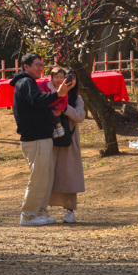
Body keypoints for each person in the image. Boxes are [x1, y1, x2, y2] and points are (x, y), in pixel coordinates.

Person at [11, 53, 74, 227]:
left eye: (42, 65)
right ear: (26, 67)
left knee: (46, 177)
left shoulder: (30, 83)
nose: (41, 68)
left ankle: (39, 211)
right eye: (37, 65)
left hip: (43, 136)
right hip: (34, 137)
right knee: (38, 177)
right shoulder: (25, 83)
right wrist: (59, 93)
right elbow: (39, 101)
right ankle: (28, 215)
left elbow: (40, 104)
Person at [48, 71, 86, 224]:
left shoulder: (77, 98)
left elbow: (80, 116)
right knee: (49, 175)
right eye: (64, 78)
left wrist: (65, 108)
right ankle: (44, 208)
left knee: (69, 175)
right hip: (51, 138)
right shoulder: (50, 94)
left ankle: (69, 210)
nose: (69, 81)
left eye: (73, 78)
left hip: (69, 140)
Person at [38, 67, 70, 139]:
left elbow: (64, 101)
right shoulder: (47, 85)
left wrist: (59, 107)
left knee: (54, 113)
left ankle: (58, 126)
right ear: (51, 78)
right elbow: (39, 87)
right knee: (48, 114)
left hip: (55, 108)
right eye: (56, 77)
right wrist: (43, 93)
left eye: (61, 77)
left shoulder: (63, 89)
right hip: (45, 106)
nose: (59, 79)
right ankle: (53, 129)